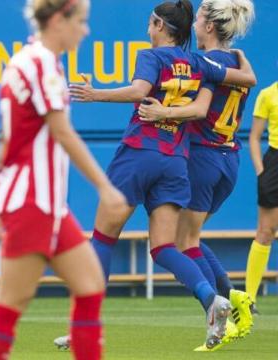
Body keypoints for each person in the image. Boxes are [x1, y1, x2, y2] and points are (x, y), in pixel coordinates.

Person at [66, 0, 257, 350]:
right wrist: (242, 60)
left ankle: (85, 326)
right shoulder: (199, 62)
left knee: (103, 237)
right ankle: (213, 299)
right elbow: (241, 81)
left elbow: (139, 92)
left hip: (141, 153)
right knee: (167, 247)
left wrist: (94, 94)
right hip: (178, 160)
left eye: (150, 22)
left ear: (157, 24)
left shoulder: (151, 56)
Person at [0, 0, 129, 359]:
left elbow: (9, 143)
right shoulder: (42, 63)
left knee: (90, 286)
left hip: (43, 205)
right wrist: (106, 189)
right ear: (60, 20)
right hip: (33, 204)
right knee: (10, 305)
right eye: (82, 21)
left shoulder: (27, 60)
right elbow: (62, 132)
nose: (86, 30)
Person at [136, 0, 256, 348]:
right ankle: (233, 298)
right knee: (190, 237)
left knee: (180, 242)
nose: (193, 24)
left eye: (199, 17)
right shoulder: (235, 58)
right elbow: (248, 77)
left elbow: (200, 107)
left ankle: (223, 306)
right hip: (228, 160)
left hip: (202, 159)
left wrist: (161, 109)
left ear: (208, 27)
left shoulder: (205, 62)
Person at [246, 76, 278, 308]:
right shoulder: (268, 94)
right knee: (265, 231)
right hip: (274, 163)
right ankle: (249, 298)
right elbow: (255, 137)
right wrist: (261, 171)